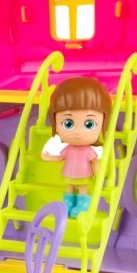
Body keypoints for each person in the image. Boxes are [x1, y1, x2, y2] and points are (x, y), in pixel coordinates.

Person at [41, 77, 112, 217]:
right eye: (68, 124)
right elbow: (60, 158)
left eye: (89, 124)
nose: (77, 132)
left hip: (84, 173)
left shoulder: (88, 150)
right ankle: (67, 204)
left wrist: (98, 171)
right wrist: (49, 157)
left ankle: (82, 206)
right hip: (69, 172)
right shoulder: (68, 149)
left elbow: (95, 161)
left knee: (83, 188)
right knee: (69, 187)